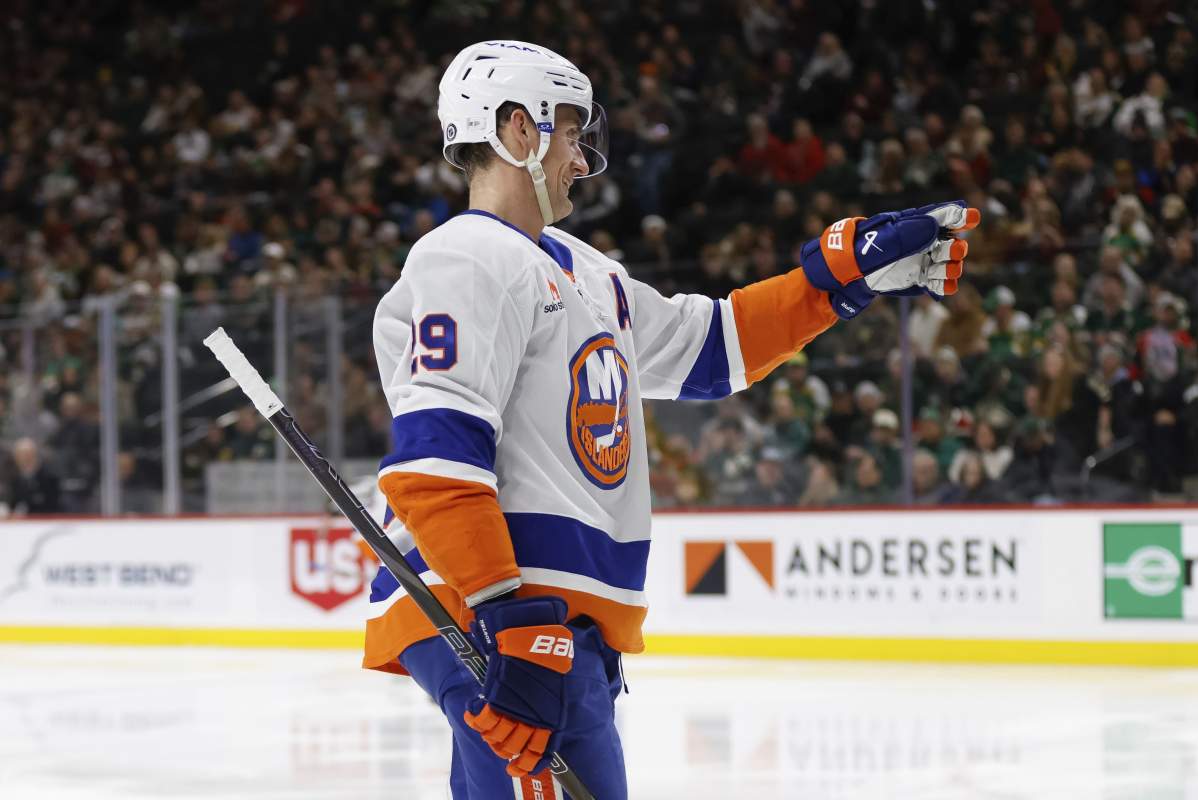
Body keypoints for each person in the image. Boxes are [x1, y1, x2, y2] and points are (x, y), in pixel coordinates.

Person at [366, 39, 979, 800]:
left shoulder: (585, 271)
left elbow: (710, 348)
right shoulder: (465, 256)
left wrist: (836, 283)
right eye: (567, 131)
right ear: (515, 130)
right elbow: (436, 462)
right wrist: (505, 613)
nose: (581, 157)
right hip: (499, 609)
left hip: (553, 620)